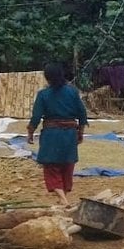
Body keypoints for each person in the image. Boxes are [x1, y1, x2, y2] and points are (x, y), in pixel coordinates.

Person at [26, 62, 89, 207]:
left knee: (51, 166)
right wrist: (81, 132)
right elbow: (82, 113)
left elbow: (36, 116)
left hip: (51, 134)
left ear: (47, 77)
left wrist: (30, 132)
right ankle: (63, 198)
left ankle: (63, 199)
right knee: (67, 165)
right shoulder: (72, 92)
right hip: (69, 134)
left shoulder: (43, 94)